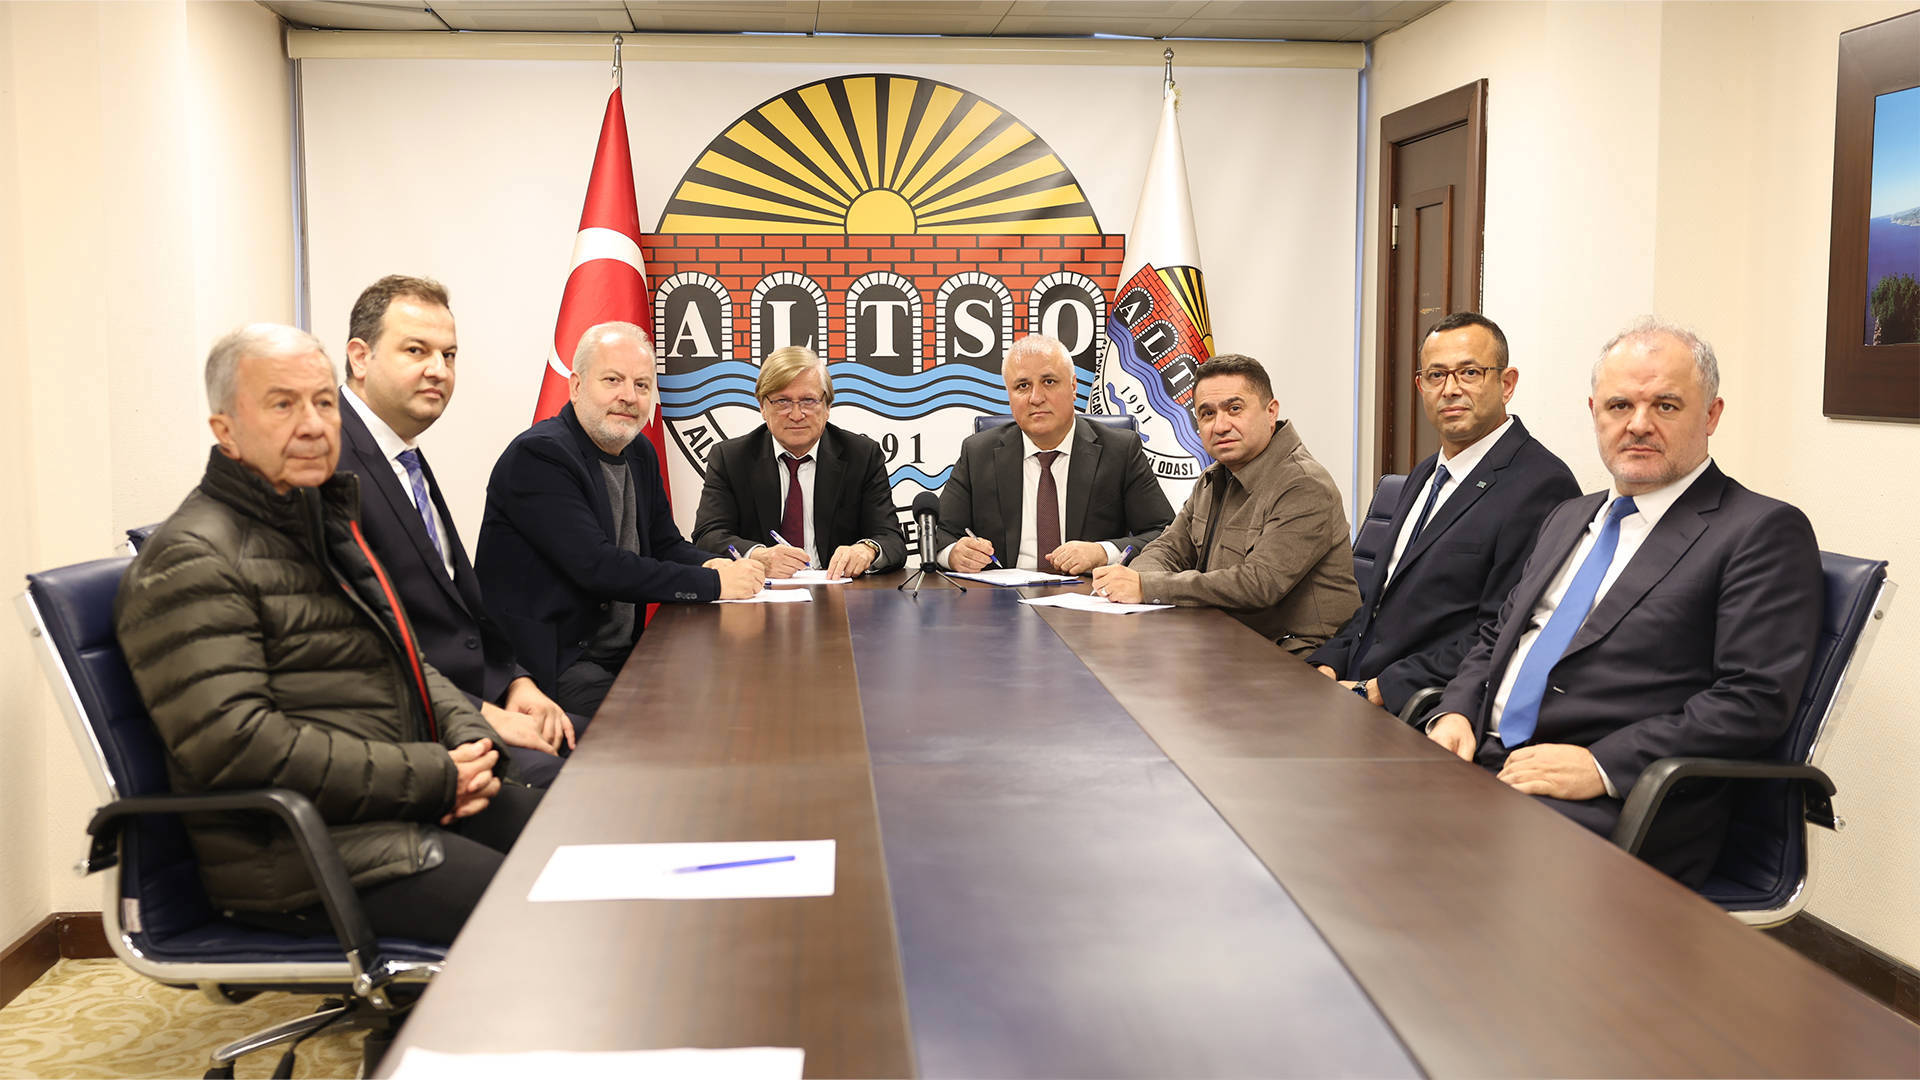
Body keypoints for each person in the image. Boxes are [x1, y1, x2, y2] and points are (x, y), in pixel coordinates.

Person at [115, 324, 537, 946]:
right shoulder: (193, 559)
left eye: (323, 402)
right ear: (225, 430)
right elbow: (239, 746)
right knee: (542, 919)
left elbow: (409, 660)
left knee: (574, 843)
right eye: (282, 405)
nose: (313, 425)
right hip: (298, 851)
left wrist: (472, 746)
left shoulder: (321, 517)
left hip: (393, 804)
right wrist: (432, 776)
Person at [1426, 320, 1822, 885]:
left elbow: (1751, 699)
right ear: (1595, 413)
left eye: (1666, 405)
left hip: (1617, 804)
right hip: (1485, 762)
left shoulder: (1760, 531)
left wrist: (1601, 765)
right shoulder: (1569, 516)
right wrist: (1457, 710)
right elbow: (1500, 635)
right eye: (1619, 406)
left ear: (1711, 415)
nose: (1638, 424)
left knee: (1427, 873)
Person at [335, 274, 575, 787]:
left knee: (621, 747)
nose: (438, 370)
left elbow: (459, 612)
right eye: (416, 350)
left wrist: (516, 683)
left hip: (478, 697)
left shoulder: (401, 451)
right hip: (413, 730)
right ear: (359, 357)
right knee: (579, 791)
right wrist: (483, 714)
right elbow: (355, 650)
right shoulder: (327, 461)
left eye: (449, 355)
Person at [476, 321, 765, 716]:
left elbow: (664, 544)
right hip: (552, 663)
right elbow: (597, 567)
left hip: (622, 653)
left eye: (642, 385)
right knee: (669, 723)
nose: (629, 396)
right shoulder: (540, 456)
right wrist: (714, 582)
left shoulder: (639, 451)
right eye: (613, 380)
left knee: (729, 691)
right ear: (576, 386)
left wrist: (720, 565)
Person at [1309, 313, 1579, 713]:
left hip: (1425, 708)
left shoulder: (1541, 484)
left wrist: (1380, 689)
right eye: (1436, 375)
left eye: (1470, 372)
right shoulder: (1424, 474)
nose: (1450, 389)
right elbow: (1378, 607)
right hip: (1355, 689)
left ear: (1506, 384)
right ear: (1421, 386)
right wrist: (1328, 663)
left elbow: (1505, 631)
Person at [1092, 354, 1358, 655]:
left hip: (1296, 656)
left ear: (1271, 412)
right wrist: (1137, 581)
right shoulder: (1214, 476)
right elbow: (1167, 548)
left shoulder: (1304, 485)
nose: (1220, 426)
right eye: (1207, 413)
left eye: (1234, 409)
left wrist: (1147, 587)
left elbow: (1259, 584)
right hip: (1223, 639)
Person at [933, 334, 1173, 574]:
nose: (1036, 398)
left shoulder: (1120, 450)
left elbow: (1165, 535)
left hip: (1090, 591)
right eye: (1022, 386)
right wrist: (953, 554)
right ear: (1009, 394)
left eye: (1049, 382)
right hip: (1002, 594)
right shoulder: (978, 453)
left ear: (1073, 386)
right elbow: (937, 533)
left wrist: (1102, 552)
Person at [692, 345, 906, 578]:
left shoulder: (862, 456)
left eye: (808, 400)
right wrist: (757, 555)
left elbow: (891, 539)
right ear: (762, 406)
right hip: (759, 590)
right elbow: (707, 536)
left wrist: (866, 550)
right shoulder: (731, 458)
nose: (796, 415)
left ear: (827, 406)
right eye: (782, 401)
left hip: (839, 590)